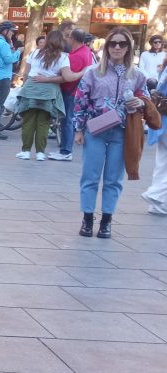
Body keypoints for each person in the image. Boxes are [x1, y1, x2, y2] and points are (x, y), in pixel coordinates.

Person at [73, 26, 150, 239]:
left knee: (113, 179)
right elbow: (80, 100)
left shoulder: (137, 75)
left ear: (128, 48)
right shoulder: (93, 73)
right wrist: (78, 129)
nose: (117, 47)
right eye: (113, 43)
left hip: (122, 133)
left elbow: (146, 100)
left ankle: (107, 221)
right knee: (90, 176)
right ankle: (87, 219)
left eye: (122, 43)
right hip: (95, 131)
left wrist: (140, 102)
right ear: (106, 47)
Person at [13, 29, 67, 161]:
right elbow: (65, 77)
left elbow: (26, 73)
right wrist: (49, 79)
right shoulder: (63, 57)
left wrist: (25, 87)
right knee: (44, 123)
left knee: (28, 122)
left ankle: (25, 151)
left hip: (31, 89)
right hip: (49, 92)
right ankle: (40, 153)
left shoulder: (35, 53)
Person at [48, 28, 90, 161]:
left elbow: (69, 77)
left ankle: (66, 151)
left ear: (73, 39)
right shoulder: (84, 51)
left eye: (68, 37)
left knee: (67, 120)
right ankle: (65, 150)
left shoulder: (77, 56)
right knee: (67, 120)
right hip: (74, 91)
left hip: (71, 91)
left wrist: (47, 79)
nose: (66, 39)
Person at [142, 67, 167, 215]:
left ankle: (158, 204)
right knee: (162, 163)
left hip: (162, 120)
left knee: (162, 163)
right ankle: (155, 194)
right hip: (164, 119)